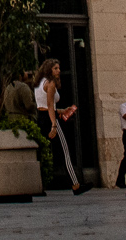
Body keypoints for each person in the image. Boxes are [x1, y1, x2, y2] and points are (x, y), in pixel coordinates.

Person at [34, 58, 88, 194]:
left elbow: (44, 106)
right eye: (55, 68)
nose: (58, 71)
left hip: (41, 117)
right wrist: (54, 125)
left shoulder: (39, 83)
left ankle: (39, 185)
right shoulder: (50, 83)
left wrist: (62, 111)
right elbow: (50, 105)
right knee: (65, 152)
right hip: (50, 119)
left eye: (58, 68)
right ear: (49, 70)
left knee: (43, 152)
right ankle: (75, 184)